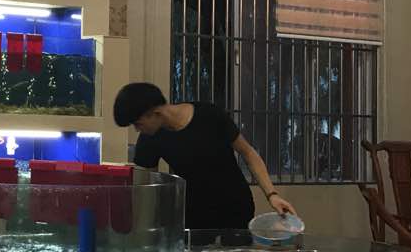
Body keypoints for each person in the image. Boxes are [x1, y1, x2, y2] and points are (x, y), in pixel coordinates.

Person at [112, 82, 297, 242]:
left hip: (234, 206)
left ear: (155, 113)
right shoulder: (150, 139)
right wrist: (147, 230)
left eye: (138, 123)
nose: (137, 129)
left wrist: (272, 195)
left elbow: (248, 153)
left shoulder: (209, 115)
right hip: (193, 214)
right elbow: (150, 189)